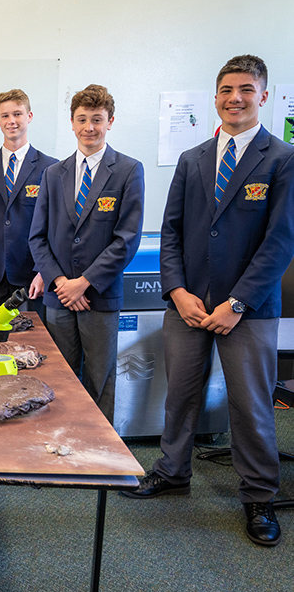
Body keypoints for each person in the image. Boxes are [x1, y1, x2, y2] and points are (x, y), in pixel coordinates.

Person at [121, 55, 294, 547]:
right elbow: (171, 231)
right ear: (215, 96)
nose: (234, 98)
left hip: (248, 311)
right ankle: (172, 471)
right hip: (188, 305)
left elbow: (280, 243)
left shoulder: (282, 159)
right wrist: (176, 291)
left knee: (251, 405)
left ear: (263, 96)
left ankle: (259, 495)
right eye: (225, 90)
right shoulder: (193, 158)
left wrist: (236, 303)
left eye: (245, 89)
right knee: (179, 396)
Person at [28, 84, 144, 423]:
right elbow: (37, 237)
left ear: (110, 122)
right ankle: (60, 449)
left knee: (99, 380)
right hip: (59, 298)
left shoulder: (127, 171)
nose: (89, 127)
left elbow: (127, 239)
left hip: (99, 298)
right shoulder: (53, 174)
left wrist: (85, 283)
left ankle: (100, 461)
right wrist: (62, 282)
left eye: (97, 119)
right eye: (82, 119)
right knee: (59, 380)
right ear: (72, 122)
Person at [0, 89, 57, 317]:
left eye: (17, 114)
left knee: (30, 343)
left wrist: (45, 271)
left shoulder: (51, 168)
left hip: (31, 274)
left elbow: (54, 227)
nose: (11, 121)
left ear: (30, 116)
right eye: (5, 116)